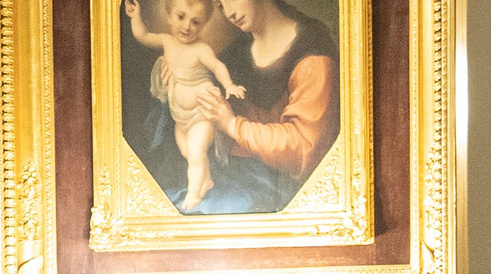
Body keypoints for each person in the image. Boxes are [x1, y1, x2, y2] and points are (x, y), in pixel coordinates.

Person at [160, 0, 339, 213]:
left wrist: (232, 125)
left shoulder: (313, 56)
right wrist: (178, 80)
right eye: (221, 5)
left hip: (280, 193)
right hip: (228, 177)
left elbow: (303, 146)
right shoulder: (237, 50)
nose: (230, 13)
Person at [124, 0, 246, 211]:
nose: (187, 26)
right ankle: (206, 180)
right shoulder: (167, 41)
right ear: (169, 16)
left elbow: (217, 67)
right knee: (187, 152)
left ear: (204, 24)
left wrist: (229, 85)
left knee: (197, 152)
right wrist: (135, 17)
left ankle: (192, 194)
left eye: (196, 22)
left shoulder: (201, 49)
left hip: (201, 113)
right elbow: (142, 36)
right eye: (181, 17)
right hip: (180, 116)